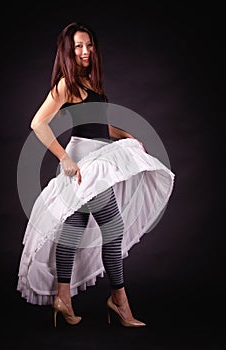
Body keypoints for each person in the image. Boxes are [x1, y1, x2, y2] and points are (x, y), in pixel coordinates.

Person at [17, 22, 175, 328]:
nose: (85, 51)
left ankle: (63, 297)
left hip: (98, 156)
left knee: (74, 228)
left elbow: (98, 126)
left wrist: (124, 135)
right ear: (68, 50)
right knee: (113, 227)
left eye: (88, 44)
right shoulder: (66, 84)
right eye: (78, 46)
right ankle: (119, 302)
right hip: (83, 161)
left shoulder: (90, 81)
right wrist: (63, 158)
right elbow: (38, 123)